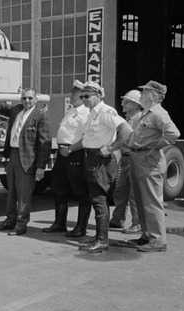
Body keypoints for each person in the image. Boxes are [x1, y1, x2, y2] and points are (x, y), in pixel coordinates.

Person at [66, 82, 133, 253]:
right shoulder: (92, 114)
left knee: (99, 199)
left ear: (98, 96)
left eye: (87, 96)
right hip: (90, 157)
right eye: (82, 96)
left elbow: (126, 129)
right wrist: (71, 149)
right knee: (94, 198)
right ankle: (99, 237)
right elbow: (87, 139)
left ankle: (102, 240)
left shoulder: (106, 112)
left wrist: (111, 147)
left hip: (100, 160)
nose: (84, 99)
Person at [0, 84, 51, 236]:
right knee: (11, 191)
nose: (27, 101)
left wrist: (40, 167)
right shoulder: (16, 110)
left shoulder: (40, 116)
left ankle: (21, 225)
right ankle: (9, 221)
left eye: (30, 98)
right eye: (24, 98)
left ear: (36, 99)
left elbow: (44, 143)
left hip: (27, 159)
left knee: (24, 194)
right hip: (12, 155)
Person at [123, 80, 181, 253]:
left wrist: (156, 147)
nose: (141, 93)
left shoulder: (158, 113)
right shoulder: (147, 113)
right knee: (141, 200)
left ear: (153, 96)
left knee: (151, 201)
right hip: (139, 158)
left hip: (148, 160)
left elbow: (173, 133)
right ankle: (147, 235)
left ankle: (157, 240)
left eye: (145, 91)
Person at [42, 80, 92, 237]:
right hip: (62, 153)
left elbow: (87, 137)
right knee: (58, 188)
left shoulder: (85, 113)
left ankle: (81, 227)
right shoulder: (72, 111)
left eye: (74, 93)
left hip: (73, 154)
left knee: (81, 192)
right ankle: (59, 223)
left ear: (82, 95)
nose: (71, 95)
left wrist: (70, 149)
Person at [109, 90, 144, 233]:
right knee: (120, 190)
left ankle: (137, 223)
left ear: (136, 104)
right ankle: (118, 219)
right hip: (124, 159)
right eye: (124, 101)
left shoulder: (141, 120)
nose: (123, 104)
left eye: (127, 102)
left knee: (134, 194)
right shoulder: (128, 120)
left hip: (134, 159)